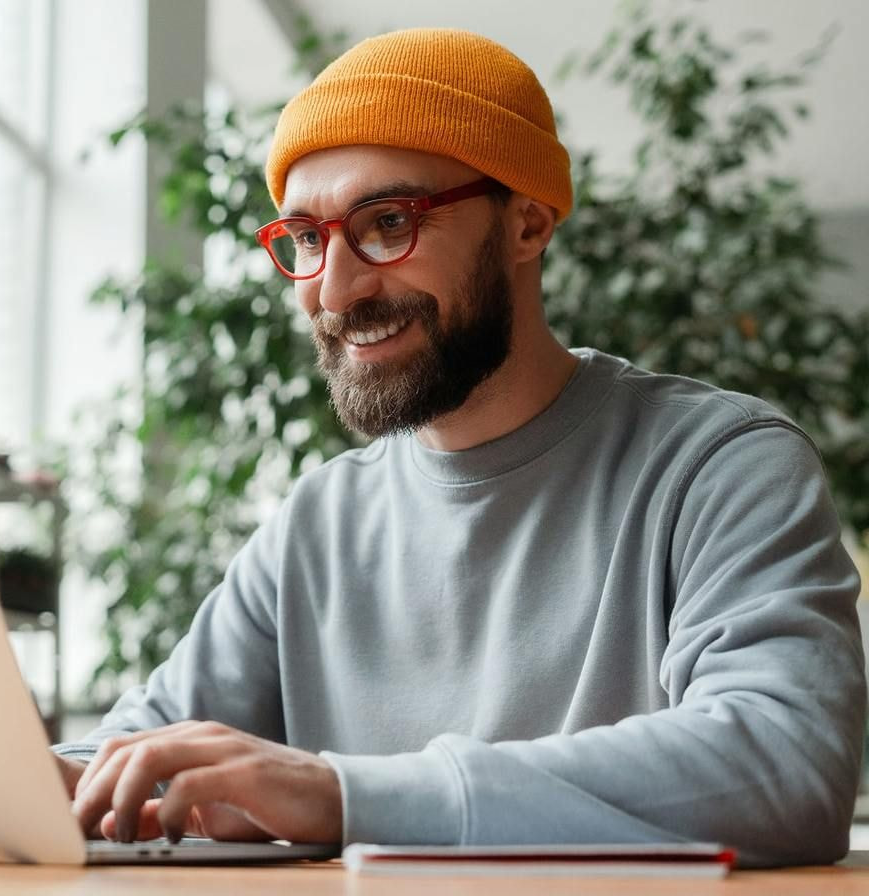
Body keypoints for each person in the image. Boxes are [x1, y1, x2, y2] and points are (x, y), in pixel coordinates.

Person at [52, 28, 866, 866]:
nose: (334, 289)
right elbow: (141, 753)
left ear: (528, 223)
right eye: (305, 238)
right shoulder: (320, 522)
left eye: (389, 222)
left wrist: (344, 796)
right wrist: (31, 779)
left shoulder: (720, 466)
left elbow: (786, 762)